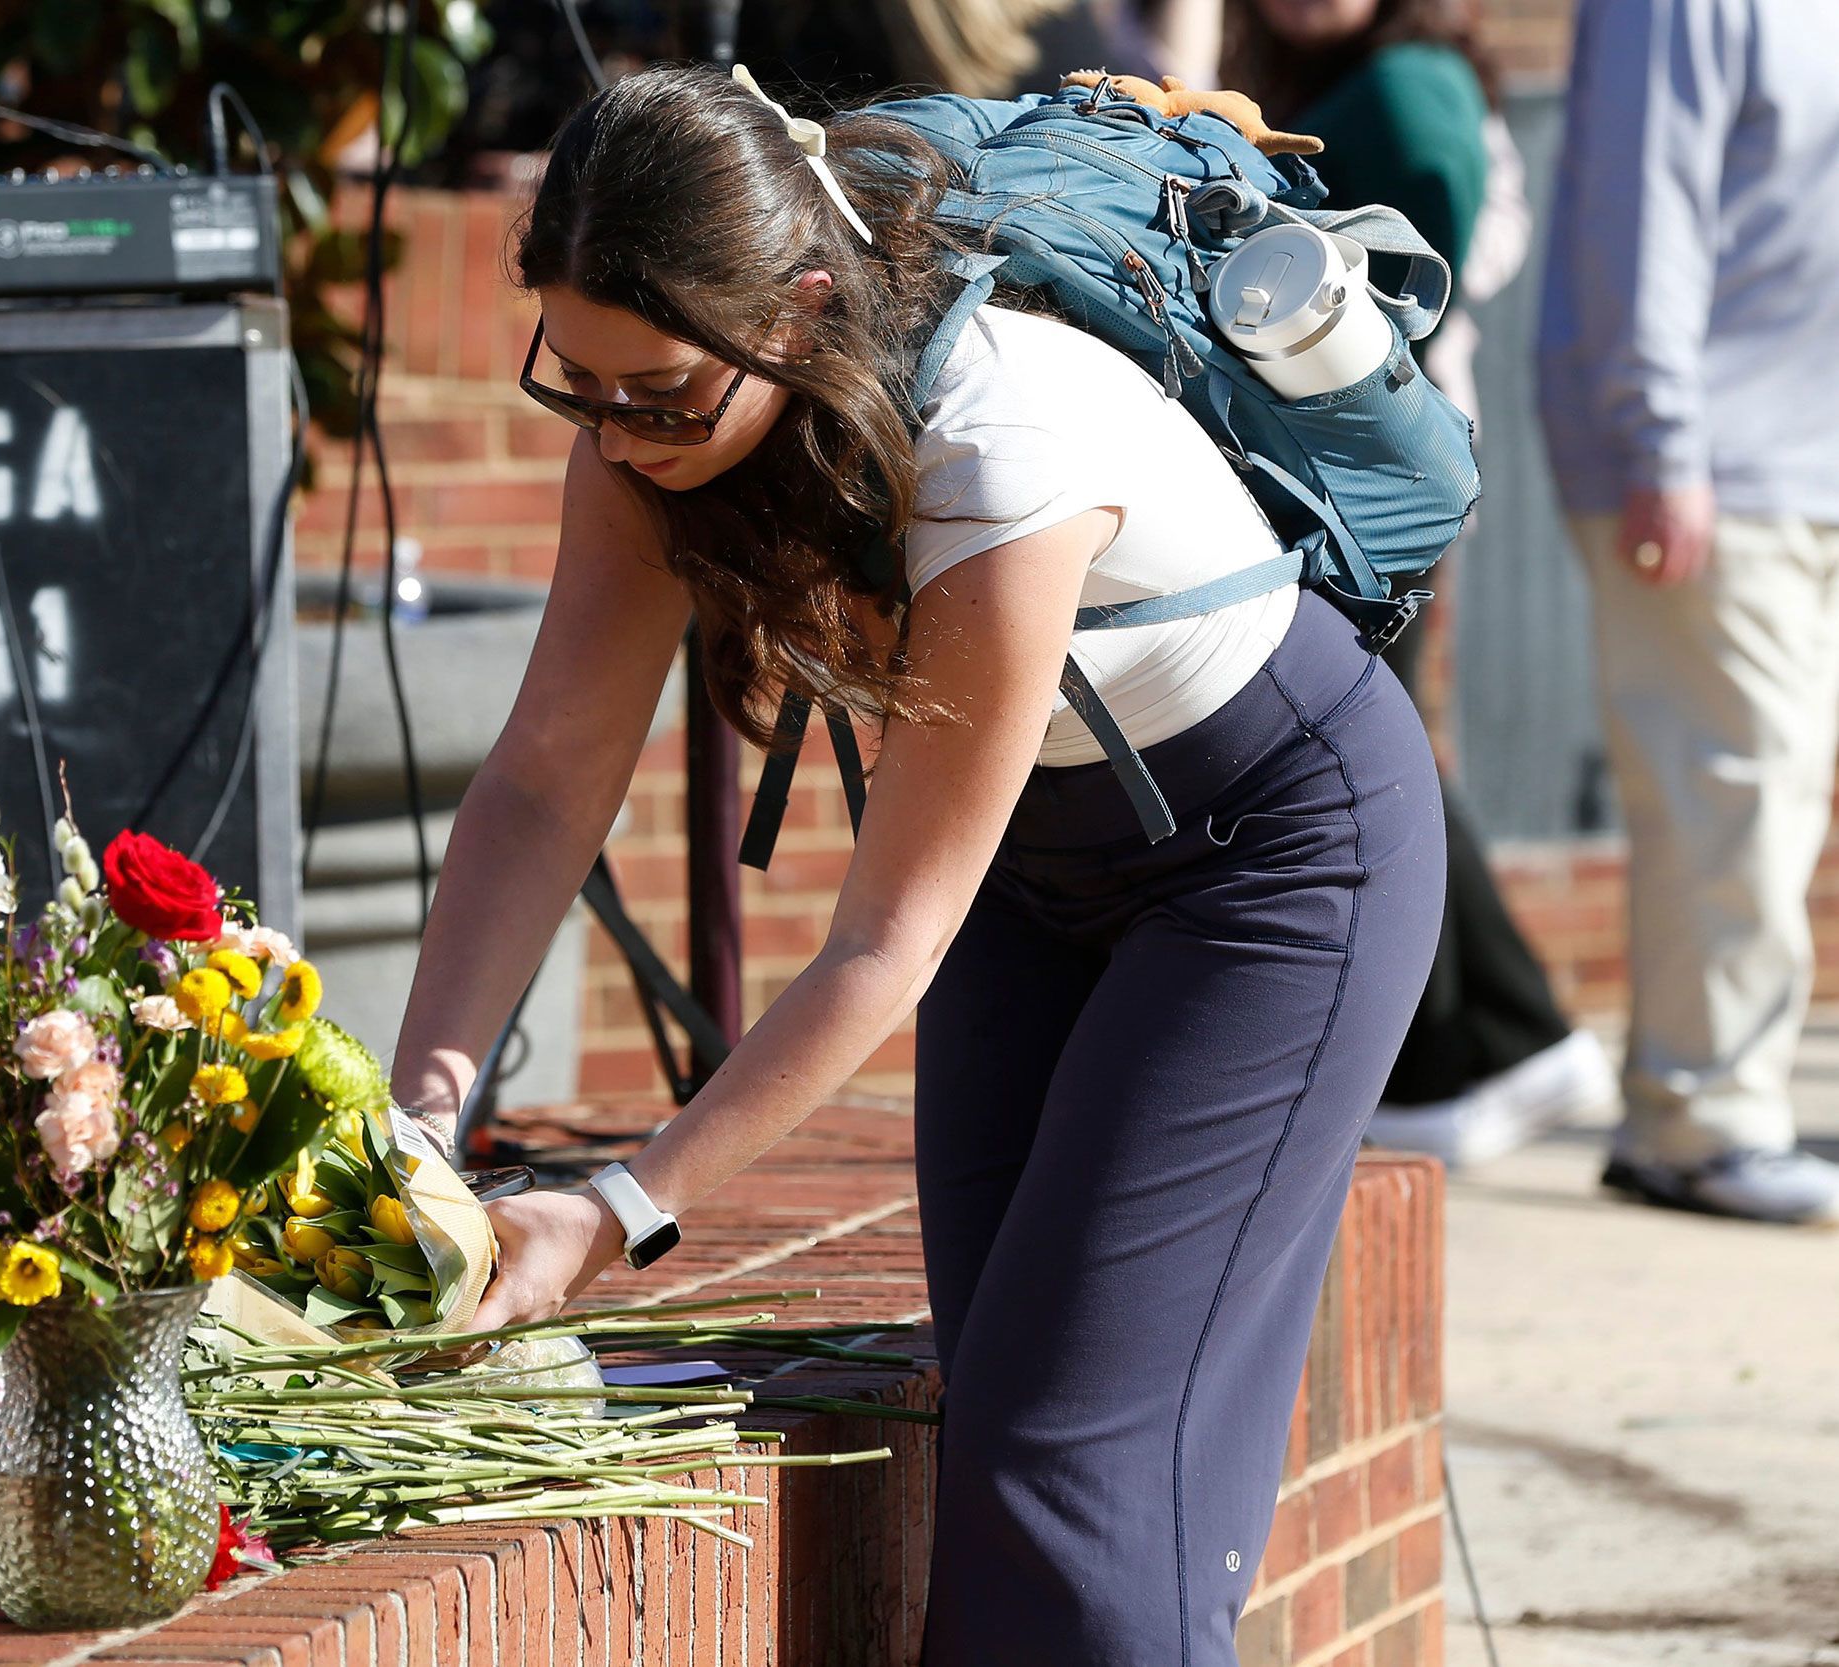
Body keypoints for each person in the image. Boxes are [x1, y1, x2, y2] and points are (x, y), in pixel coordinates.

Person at [384, 65, 1444, 1663]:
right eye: (577, 387)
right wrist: (420, 1118)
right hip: (1035, 872)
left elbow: (883, 941)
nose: (617, 434)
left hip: (1278, 865)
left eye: (660, 393)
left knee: (1075, 1459)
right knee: (996, 1398)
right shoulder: (642, 438)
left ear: (802, 311)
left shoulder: (1000, 443)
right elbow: (545, 783)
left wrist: (614, 1211)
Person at [1227, 0, 1617, 1167]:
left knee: (1355, 752)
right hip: (1349, 470)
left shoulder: (1402, 84)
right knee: (1367, 745)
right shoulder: (1344, 77)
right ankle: (1502, 1039)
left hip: (1366, 477)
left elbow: (1424, 249)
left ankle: (1474, 1048)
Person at [1538, 0, 1839, 1224]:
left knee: (1770, 796)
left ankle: (1707, 1101)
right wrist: (1661, 441)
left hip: (1805, 465)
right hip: (1715, 463)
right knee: (1738, 792)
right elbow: (1639, 210)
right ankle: (1700, 1121)